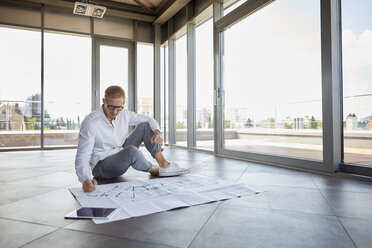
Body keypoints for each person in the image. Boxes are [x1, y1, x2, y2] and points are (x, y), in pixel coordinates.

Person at [75, 85, 189, 192]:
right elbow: (83, 154)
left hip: (119, 152)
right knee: (132, 151)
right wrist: (85, 179)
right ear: (104, 101)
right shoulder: (90, 123)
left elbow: (149, 120)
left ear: (123, 103)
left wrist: (158, 132)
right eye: (111, 107)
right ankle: (155, 170)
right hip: (102, 165)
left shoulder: (124, 114)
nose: (115, 112)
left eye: (119, 107)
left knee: (145, 126)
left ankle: (164, 165)